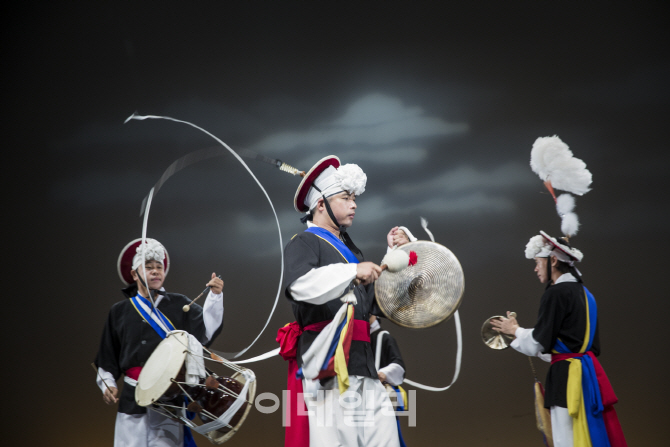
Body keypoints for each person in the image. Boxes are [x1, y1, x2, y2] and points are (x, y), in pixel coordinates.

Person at [281, 155, 401, 447]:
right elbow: (299, 286)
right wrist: (351, 272)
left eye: (354, 198)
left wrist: (396, 260)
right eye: (346, 197)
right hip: (329, 367)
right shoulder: (305, 242)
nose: (354, 204)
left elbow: (375, 308)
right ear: (320, 204)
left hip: (365, 367)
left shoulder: (352, 254)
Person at [491, 231, 626, 447]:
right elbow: (567, 346)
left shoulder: (556, 293)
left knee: (567, 438)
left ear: (553, 260)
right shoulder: (586, 294)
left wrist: (514, 330)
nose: (535, 269)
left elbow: (538, 343)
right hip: (587, 377)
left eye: (537, 262)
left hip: (566, 379)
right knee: (589, 435)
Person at [94, 238, 224, 447]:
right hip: (132, 400)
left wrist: (215, 297)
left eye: (159, 267)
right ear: (134, 274)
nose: (155, 271)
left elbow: (205, 333)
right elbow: (107, 355)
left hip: (169, 398)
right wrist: (108, 384)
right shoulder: (119, 311)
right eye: (148, 267)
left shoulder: (181, 304)